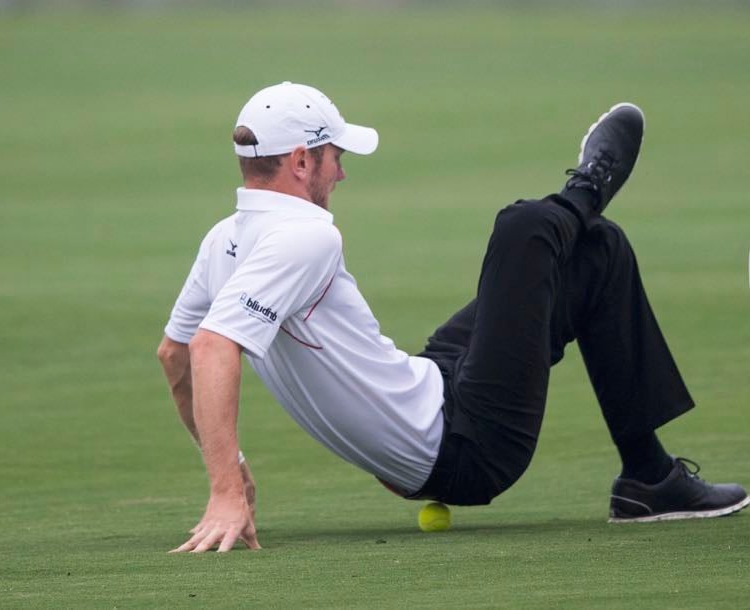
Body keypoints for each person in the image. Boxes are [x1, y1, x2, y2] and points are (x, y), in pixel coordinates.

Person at [156, 81, 748, 554]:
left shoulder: (221, 241)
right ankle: (588, 188)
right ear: (301, 161)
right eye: (336, 157)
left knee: (596, 253)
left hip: (434, 386)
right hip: (468, 447)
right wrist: (226, 490)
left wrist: (232, 464)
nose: (342, 173)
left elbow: (174, 354)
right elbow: (210, 347)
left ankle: (649, 478)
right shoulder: (307, 235)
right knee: (525, 228)